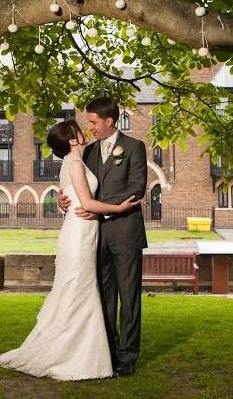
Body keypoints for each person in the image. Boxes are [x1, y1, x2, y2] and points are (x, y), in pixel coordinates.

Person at [0, 119, 139, 381]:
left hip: (83, 231)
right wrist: (118, 208)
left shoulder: (76, 162)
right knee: (78, 289)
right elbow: (85, 202)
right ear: (73, 140)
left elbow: (68, 196)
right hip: (80, 233)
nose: (86, 130)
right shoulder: (73, 163)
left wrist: (65, 203)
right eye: (80, 130)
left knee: (79, 289)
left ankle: (85, 350)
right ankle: (73, 353)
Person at [58, 97, 147, 377]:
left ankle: (127, 357)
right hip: (94, 237)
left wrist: (98, 210)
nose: (90, 127)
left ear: (110, 122)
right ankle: (107, 350)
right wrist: (66, 202)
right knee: (104, 296)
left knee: (129, 297)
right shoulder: (89, 153)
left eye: (94, 122)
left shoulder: (134, 147)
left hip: (125, 233)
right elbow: (80, 184)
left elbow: (137, 188)